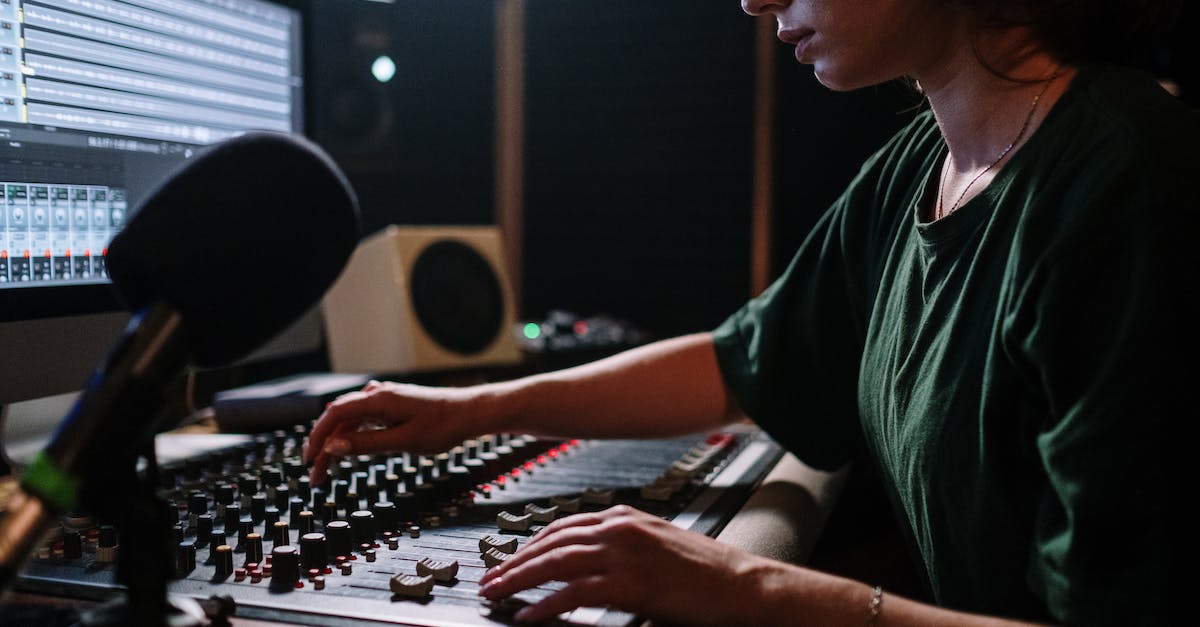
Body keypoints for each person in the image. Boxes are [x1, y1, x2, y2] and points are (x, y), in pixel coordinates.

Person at [304, 0, 1192, 624]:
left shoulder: (1127, 185)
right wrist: (478, 411)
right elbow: (741, 363)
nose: (753, 0)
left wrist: (754, 589)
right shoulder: (917, 168)